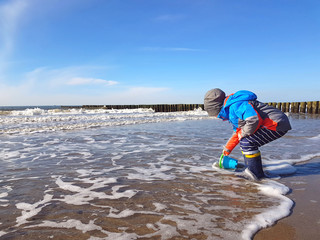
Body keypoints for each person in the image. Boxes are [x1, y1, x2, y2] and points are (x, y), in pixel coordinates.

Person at [204, 88, 292, 180]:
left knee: (247, 142)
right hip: (273, 124)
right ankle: (251, 169)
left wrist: (243, 133)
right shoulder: (232, 111)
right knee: (245, 140)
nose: (217, 117)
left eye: (216, 114)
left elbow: (253, 119)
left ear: (217, 108)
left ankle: (255, 174)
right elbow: (237, 132)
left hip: (276, 123)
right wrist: (228, 148)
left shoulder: (236, 105)